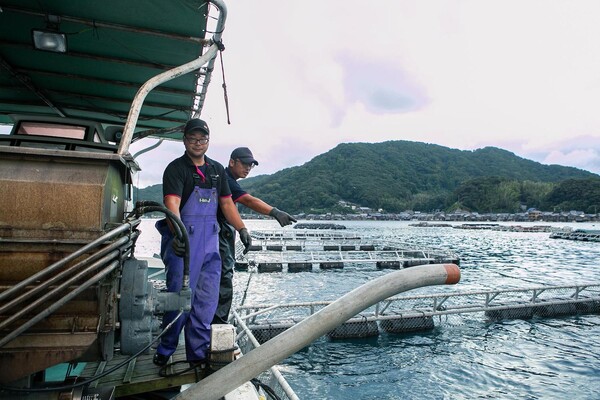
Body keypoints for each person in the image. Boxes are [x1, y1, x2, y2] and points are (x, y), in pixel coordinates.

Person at [153, 119, 252, 366]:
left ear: (208, 141)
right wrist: (178, 235)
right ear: (185, 140)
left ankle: (197, 352)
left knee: (207, 300)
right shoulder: (176, 169)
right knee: (179, 297)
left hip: (211, 242)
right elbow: (172, 204)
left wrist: (241, 228)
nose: (198, 143)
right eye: (193, 139)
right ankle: (165, 349)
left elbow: (227, 203)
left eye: (202, 139)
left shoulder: (217, 170)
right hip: (185, 243)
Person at [212, 147, 297, 325]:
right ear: (232, 162)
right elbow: (249, 200)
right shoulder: (226, 179)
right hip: (217, 236)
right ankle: (218, 324)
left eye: (251, 165)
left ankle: (215, 321)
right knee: (223, 279)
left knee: (219, 277)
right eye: (244, 164)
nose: (248, 168)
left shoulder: (228, 180)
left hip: (220, 234)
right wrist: (275, 212)